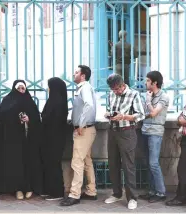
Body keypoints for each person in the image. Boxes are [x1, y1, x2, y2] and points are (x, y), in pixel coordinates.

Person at [104, 74, 145, 210]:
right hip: (113, 131)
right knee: (113, 163)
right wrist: (108, 114)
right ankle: (116, 193)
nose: (114, 92)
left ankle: (132, 198)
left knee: (128, 166)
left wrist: (124, 116)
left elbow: (140, 115)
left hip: (127, 132)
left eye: (116, 89)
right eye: (112, 89)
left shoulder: (134, 94)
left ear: (122, 85)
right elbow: (110, 109)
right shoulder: (111, 94)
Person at [0, 80, 43, 199]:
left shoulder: (29, 101)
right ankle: (17, 189)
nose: (21, 91)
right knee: (17, 164)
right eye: (19, 89)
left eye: (23, 89)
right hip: (14, 140)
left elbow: (37, 118)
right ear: (14, 89)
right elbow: (2, 117)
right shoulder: (8, 100)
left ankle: (29, 188)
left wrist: (29, 119)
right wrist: (16, 120)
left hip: (29, 140)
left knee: (29, 163)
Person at [60, 65, 97, 206]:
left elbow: (89, 105)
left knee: (77, 162)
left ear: (82, 76)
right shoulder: (83, 88)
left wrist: (80, 124)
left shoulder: (85, 88)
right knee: (86, 161)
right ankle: (91, 191)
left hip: (84, 130)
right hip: (87, 129)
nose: (74, 74)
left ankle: (74, 194)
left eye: (76, 72)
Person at [139, 71, 169, 203]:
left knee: (153, 163)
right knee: (148, 163)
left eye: (147, 81)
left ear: (154, 83)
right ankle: (152, 191)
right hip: (145, 130)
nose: (145, 83)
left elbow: (153, 113)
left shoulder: (164, 97)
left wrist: (148, 100)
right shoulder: (148, 95)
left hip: (155, 132)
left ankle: (161, 192)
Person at [41, 77, 68, 201]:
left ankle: (57, 192)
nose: (48, 89)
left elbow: (50, 119)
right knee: (50, 163)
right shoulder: (56, 100)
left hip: (54, 138)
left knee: (54, 163)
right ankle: (51, 190)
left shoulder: (56, 102)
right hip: (52, 137)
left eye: (49, 86)